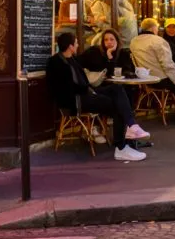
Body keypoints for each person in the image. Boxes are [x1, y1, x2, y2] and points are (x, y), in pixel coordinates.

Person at [47, 31, 150, 161]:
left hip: (86, 92)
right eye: (76, 43)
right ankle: (121, 147)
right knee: (118, 105)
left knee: (117, 89)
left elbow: (83, 81)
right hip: (77, 100)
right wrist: (89, 91)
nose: (78, 45)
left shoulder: (72, 59)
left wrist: (91, 89)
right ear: (70, 46)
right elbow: (64, 89)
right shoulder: (56, 62)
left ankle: (131, 126)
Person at [130, 18, 175, 125]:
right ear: (154, 28)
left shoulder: (134, 41)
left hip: (145, 78)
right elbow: (167, 65)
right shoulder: (158, 41)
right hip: (162, 79)